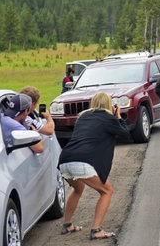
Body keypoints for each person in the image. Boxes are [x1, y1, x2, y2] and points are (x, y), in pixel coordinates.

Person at [58, 92, 130, 240]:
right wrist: (118, 117)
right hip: (83, 162)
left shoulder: (82, 117)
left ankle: (67, 225)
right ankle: (96, 230)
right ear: (109, 105)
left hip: (65, 160)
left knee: (78, 189)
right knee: (107, 191)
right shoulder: (109, 118)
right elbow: (125, 133)